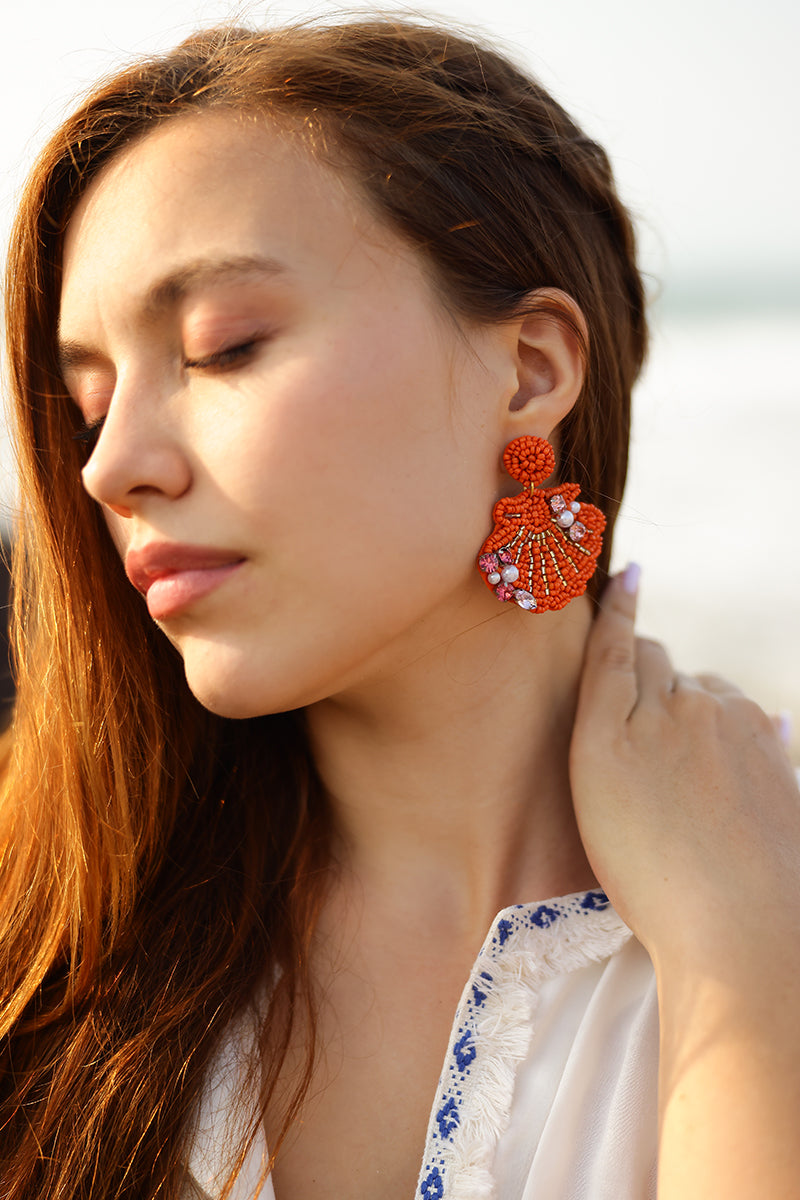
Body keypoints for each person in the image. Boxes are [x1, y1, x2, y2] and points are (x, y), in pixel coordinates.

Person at [1, 16, 798, 1200]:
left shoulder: (768, 896)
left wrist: (739, 971)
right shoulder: (46, 945)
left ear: (529, 370)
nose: (110, 469)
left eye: (222, 348)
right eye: (88, 406)